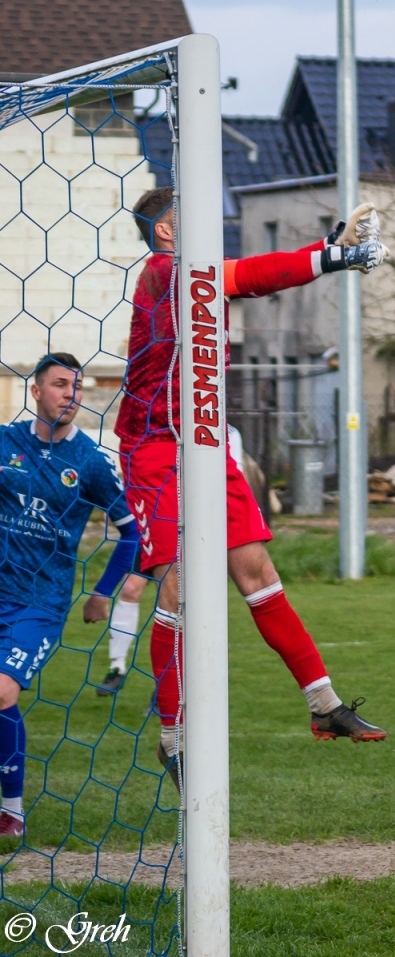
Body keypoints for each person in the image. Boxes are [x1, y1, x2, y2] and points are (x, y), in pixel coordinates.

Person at [118, 187, 388, 788]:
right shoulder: (165, 272)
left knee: (257, 572)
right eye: (188, 218)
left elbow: (249, 280)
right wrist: (331, 255)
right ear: (165, 232)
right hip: (156, 447)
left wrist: (331, 257)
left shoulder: (197, 277)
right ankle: (173, 738)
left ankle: (324, 705)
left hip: (207, 445)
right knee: (179, 586)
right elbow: (253, 273)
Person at [0, 353, 142, 833]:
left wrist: (102, 593)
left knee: (1, 692)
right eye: (60, 384)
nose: (71, 394)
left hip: (42, 601)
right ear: (35, 392)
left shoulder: (90, 463)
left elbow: (132, 534)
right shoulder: (6, 442)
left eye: (76, 387)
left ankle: (12, 812)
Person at [95, 573, 149, 696]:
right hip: (148, 552)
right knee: (129, 589)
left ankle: (163, 685)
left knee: (169, 598)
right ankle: (116, 668)